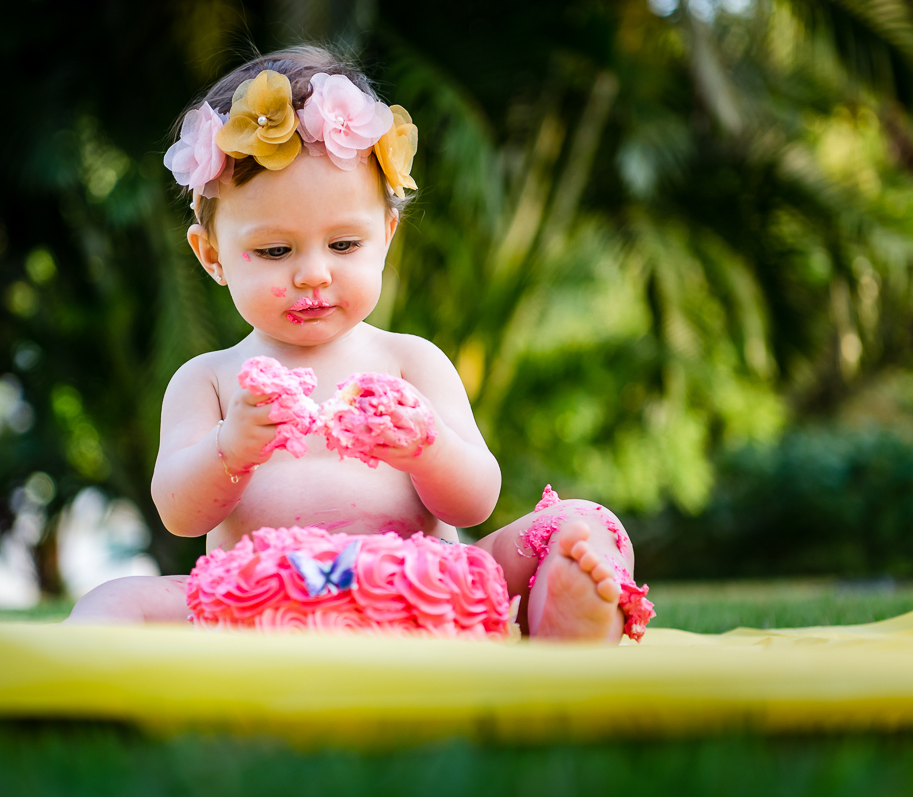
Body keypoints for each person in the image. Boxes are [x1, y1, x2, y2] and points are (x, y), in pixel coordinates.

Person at [64, 46, 652, 643]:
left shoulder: (411, 361)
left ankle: (565, 622)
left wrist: (428, 446)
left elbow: (475, 504)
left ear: (386, 236)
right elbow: (179, 513)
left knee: (580, 523)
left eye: (344, 245)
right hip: (263, 596)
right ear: (211, 254)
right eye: (275, 251)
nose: (314, 273)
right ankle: (85, 676)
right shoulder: (210, 380)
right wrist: (230, 447)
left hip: (424, 587)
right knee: (115, 598)